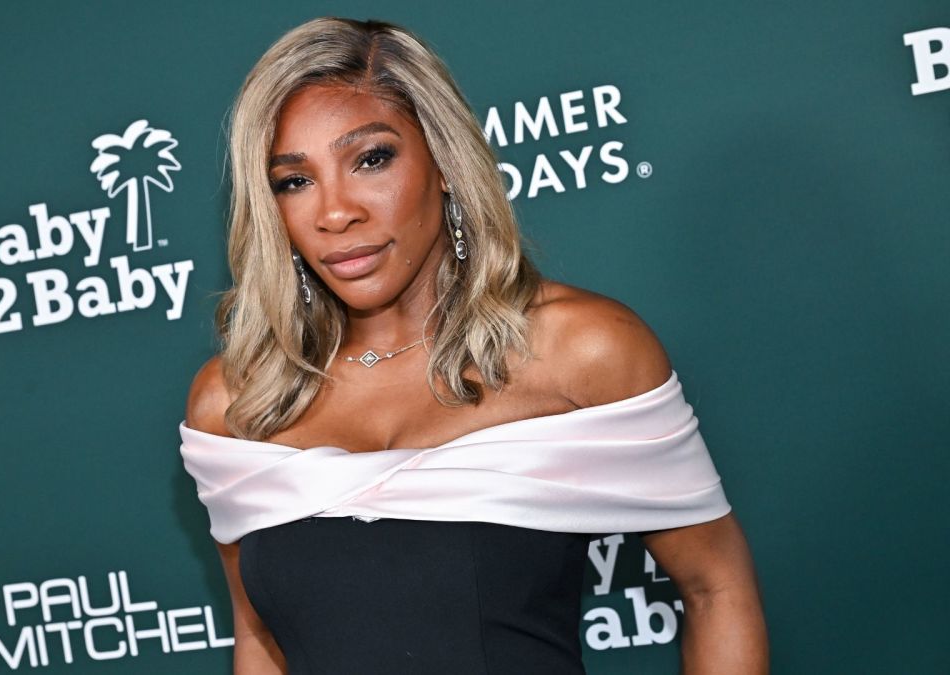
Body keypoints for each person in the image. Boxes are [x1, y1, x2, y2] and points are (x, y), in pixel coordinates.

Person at [180, 16, 768, 675]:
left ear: (444, 162)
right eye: (294, 180)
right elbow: (260, 641)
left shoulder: (580, 352)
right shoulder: (235, 404)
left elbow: (716, 587)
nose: (336, 212)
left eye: (371, 159)